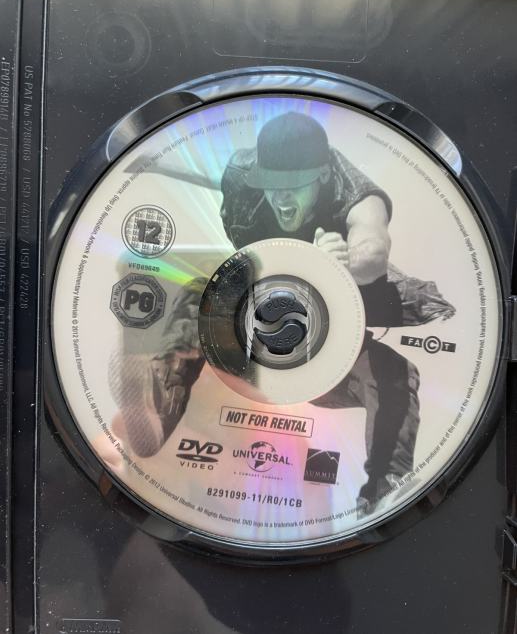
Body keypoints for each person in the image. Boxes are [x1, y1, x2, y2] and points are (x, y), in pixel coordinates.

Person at [115, 111, 450, 515]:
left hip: (351, 300)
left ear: (322, 175)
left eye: (293, 187)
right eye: (272, 186)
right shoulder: (242, 174)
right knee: (198, 295)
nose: (281, 199)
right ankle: (158, 410)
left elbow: (373, 248)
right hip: (263, 305)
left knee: (396, 370)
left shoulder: (355, 192)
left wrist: (341, 262)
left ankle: (387, 489)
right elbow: (183, 162)